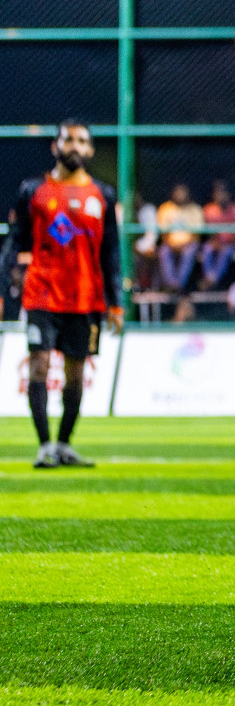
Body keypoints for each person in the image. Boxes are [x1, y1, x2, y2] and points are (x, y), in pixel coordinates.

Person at [11, 120, 123, 468]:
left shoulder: (102, 195)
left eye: (82, 141)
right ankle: (44, 445)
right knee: (40, 365)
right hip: (42, 294)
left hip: (86, 298)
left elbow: (112, 252)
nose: (75, 146)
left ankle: (64, 444)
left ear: (89, 150)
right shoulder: (33, 191)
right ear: (55, 146)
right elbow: (16, 242)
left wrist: (116, 303)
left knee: (76, 374)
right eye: (68, 139)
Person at [199, 180, 235, 288]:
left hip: (232, 244)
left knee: (225, 251)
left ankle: (211, 280)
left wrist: (227, 242)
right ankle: (209, 277)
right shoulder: (209, 210)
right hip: (216, 243)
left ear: (229, 195)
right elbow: (210, 233)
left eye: (223, 193)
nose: (220, 196)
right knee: (207, 248)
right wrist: (215, 242)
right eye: (218, 193)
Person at [156, 184, 204, 291]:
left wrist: (184, 244)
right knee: (163, 251)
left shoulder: (195, 209)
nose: (180, 195)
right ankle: (170, 283)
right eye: (177, 192)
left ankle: (178, 285)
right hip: (170, 243)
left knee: (189, 252)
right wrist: (171, 243)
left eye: (182, 192)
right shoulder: (166, 208)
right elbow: (163, 233)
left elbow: (197, 234)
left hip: (189, 243)